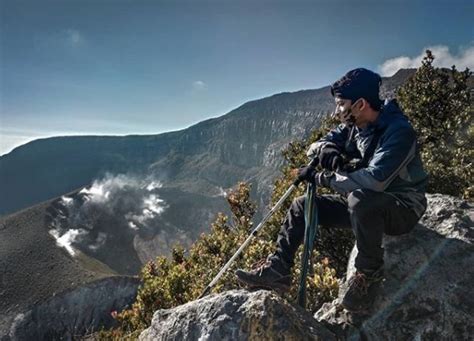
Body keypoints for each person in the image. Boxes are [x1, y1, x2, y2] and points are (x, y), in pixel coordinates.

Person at [235, 68, 428, 312]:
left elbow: (375, 181)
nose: (336, 111)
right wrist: (326, 149)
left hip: (402, 208)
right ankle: (278, 270)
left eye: (340, 105)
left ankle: (368, 275)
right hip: (366, 206)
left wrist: (323, 178)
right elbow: (315, 147)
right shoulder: (354, 127)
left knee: (361, 199)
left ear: (359, 104)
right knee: (302, 206)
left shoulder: (398, 132)